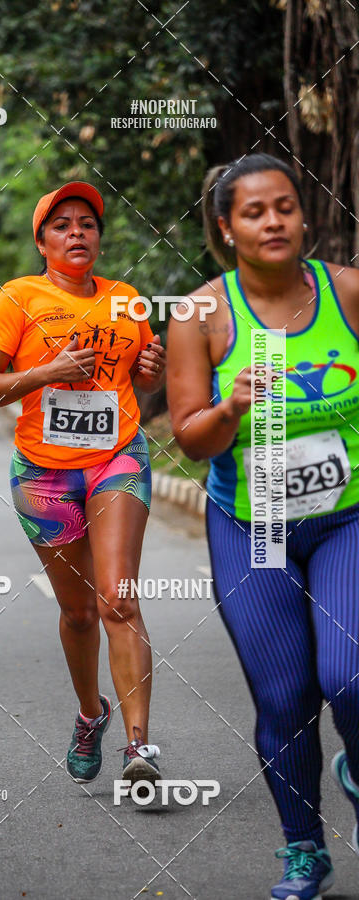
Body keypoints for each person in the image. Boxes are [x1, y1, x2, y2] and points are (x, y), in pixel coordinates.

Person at [166, 153, 359, 900]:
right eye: (254, 212)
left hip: (347, 518)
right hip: (257, 526)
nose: (273, 221)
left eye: (285, 206)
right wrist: (231, 408)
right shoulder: (199, 315)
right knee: (285, 697)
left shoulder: (346, 291)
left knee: (349, 675)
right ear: (227, 227)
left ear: (302, 215)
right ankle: (304, 848)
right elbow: (190, 437)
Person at [0, 182, 166, 786]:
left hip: (116, 459)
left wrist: (149, 372)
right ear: (42, 243)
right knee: (79, 612)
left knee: (119, 598)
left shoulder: (128, 301)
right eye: (62, 225)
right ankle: (90, 713)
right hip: (44, 473)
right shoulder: (19, 298)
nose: (78, 232)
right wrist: (45, 372)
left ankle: (139, 749)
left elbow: (141, 386)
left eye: (88, 223)